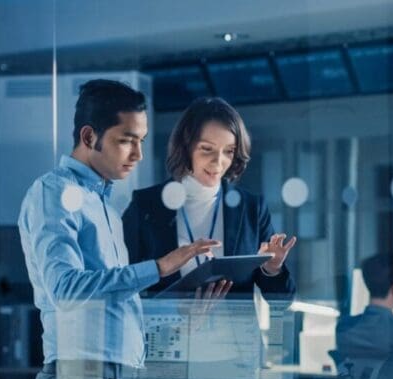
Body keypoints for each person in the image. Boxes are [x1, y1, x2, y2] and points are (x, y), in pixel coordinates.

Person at [18, 79, 218, 379]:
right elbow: (66, 289)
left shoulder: (105, 204)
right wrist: (159, 267)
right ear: (90, 136)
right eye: (127, 140)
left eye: (141, 140)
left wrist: (180, 315)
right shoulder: (53, 193)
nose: (138, 154)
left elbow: (111, 302)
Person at [122, 97, 296, 300]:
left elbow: (281, 302)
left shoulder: (251, 209)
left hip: (235, 331)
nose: (218, 162)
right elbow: (123, 285)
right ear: (186, 147)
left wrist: (273, 268)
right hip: (168, 330)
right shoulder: (146, 206)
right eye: (207, 149)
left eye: (229, 151)